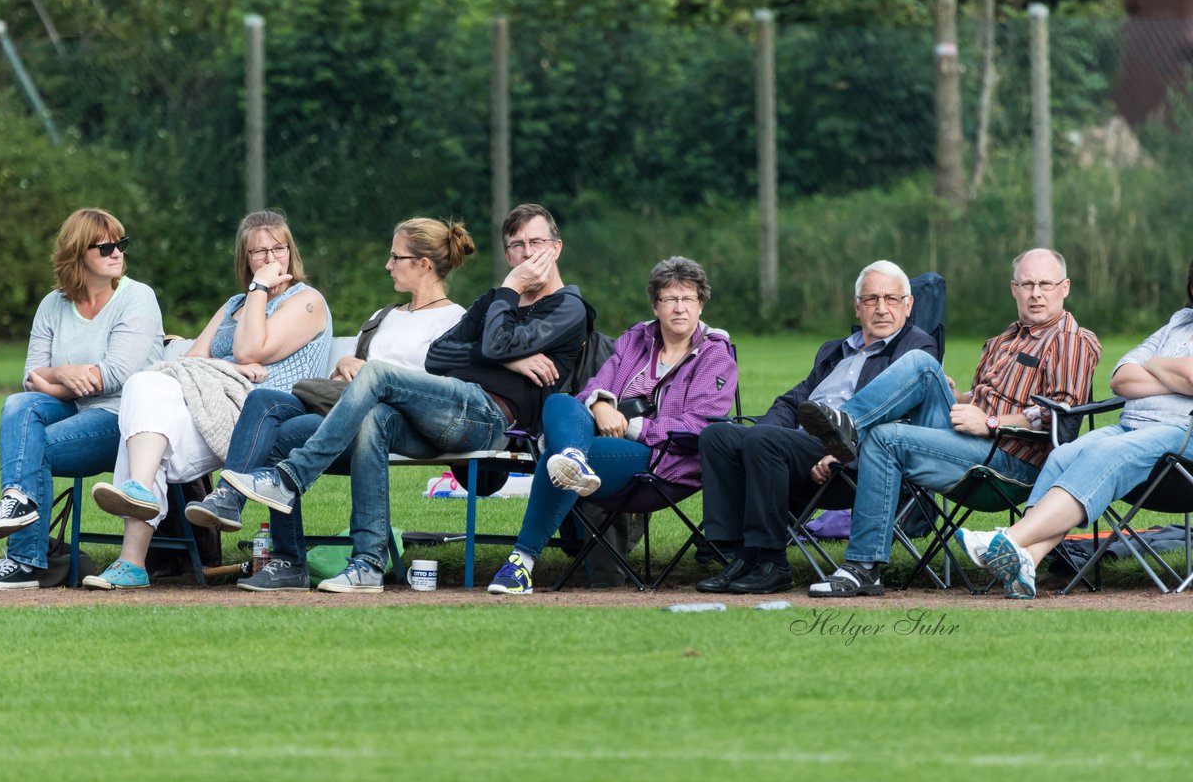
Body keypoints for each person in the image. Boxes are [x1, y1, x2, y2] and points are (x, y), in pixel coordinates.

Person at [222, 203, 589, 594]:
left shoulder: (567, 307)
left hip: (490, 419)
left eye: (536, 243)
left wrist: (508, 308)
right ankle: (367, 564)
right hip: (441, 416)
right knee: (373, 419)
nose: (527, 253)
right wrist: (513, 357)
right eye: (517, 245)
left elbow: (490, 342)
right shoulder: (495, 301)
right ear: (507, 253)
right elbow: (440, 354)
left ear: (557, 248)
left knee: (377, 373)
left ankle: (290, 477)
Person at [183, 217, 473, 591]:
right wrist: (345, 365)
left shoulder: (453, 319)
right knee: (264, 400)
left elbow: (438, 392)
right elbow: (340, 383)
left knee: (281, 437)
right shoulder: (382, 317)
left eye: (395, 257)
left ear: (423, 264)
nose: (387, 265)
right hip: (342, 414)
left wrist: (371, 372)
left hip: (392, 424)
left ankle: (286, 558)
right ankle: (230, 500)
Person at [798, 248, 1100, 598]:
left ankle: (863, 562)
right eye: (1027, 284)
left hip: (1013, 464)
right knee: (922, 369)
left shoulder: (1070, 339)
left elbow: (1061, 415)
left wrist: (991, 422)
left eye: (1045, 284)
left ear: (1065, 287)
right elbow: (985, 401)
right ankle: (848, 430)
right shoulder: (1003, 340)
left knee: (887, 431)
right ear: (1013, 289)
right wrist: (960, 398)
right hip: (970, 445)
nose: (1036, 293)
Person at [84, 209, 331, 589]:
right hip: (212, 406)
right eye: (258, 253)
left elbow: (251, 350)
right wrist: (232, 363)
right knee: (144, 396)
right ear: (244, 260)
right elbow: (193, 360)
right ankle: (135, 526)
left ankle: (133, 546)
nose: (269, 259)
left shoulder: (306, 300)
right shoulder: (234, 305)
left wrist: (259, 290)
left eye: (277, 249)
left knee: (146, 432)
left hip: (261, 415)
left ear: (291, 252)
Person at [483, 256, 737, 595]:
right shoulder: (636, 341)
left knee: (555, 460)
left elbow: (699, 425)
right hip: (605, 449)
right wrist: (601, 404)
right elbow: (592, 388)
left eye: (688, 298)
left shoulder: (714, 355)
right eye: (669, 299)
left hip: (666, 464)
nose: (679, 308)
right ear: (655, 305)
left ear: (701, 305)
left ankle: (522, 563)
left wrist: (634, 427)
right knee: (562, 401)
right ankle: (572, 454)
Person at [694, 260, 937, 596]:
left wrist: (839, 452)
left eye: (891, 299)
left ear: (908, 305)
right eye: (871, 299)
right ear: (857, 305)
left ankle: (772, 563)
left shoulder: (915, 349)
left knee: (764, 440)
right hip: (796, 448)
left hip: (850, 463)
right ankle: (737, 553)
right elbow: (793, 401)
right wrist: (755, 437)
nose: (881, 308)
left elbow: (898, 418)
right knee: (718, 436)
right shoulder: (835, 350)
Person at [958, 261, 1193, 599]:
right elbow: (1122, 377)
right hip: (1132, 427)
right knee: (1066, 454)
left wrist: (1155, 366)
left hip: (1182, 439)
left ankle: (1009, 539)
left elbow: (1190, 378)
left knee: (1108, 453)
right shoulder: (1178, 322)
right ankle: (1028, 559)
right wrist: (1170, 372)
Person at [0, 208, 164, 590]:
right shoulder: (52, 305)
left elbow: (113, 377)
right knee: (17, 406)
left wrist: (58, 377)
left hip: (124, 420)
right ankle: (17, 501)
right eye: (105, 246)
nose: (117, 253)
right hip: (71, 408)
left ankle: (26, 562)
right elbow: (31, 377)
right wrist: (64, 373)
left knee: (33, 445)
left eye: (120, 244)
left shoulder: (137, 298)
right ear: (77, 254)